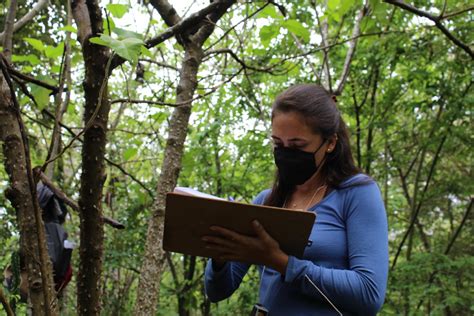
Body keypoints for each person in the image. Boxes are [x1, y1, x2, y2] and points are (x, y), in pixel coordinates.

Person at [203, 84, 389, 315]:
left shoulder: (357, 193)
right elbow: (217, 292)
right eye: (278, 144)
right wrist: (221, 251)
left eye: (298, 145)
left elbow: (369, 294)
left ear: (330, 143)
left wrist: (280, 262)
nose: (286, 153)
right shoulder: (266, 201)